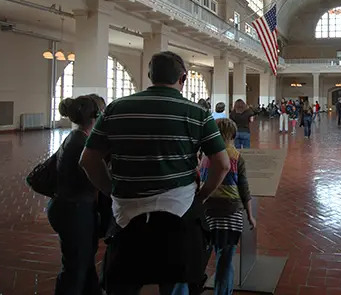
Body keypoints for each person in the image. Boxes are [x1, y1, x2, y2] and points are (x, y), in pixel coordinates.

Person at [80, 51, 231, 295]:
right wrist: (201, 195)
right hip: (179, 212)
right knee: (174, 280)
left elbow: (88, 160)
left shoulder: (116, 108)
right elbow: (222, 164)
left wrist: (111, 189)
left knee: (125, 279)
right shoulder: (198, 113)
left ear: (150, 75)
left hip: (126, 214)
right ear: (182, 78)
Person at [48, 95, 104, 295]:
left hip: (69, 207)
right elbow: (97, 179)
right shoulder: (82, 144)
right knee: (76, 268)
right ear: (96, 116)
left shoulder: (76, 137)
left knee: (85, 263)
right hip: (74, 211)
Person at [200, 118, 255, 295]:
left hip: (207, 212)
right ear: (233, 134)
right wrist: (250, 215)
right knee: (225, 261)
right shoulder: (236, 157)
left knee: (204, 256)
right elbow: (244, 188)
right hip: (230, 213)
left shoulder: (205, 155)